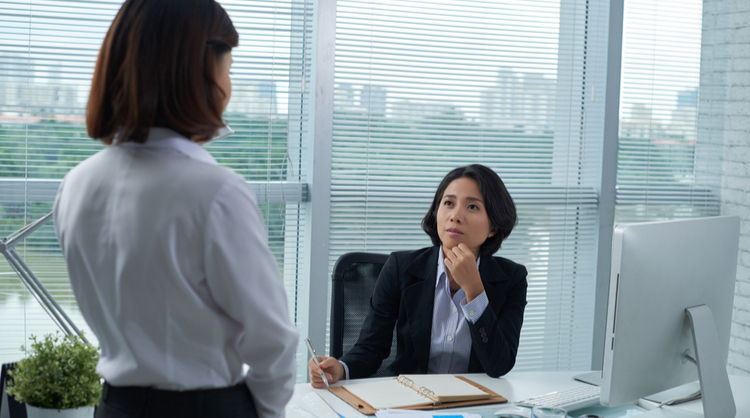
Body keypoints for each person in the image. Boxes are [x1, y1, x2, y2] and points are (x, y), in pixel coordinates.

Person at [52, 1, 298, 417]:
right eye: (229, 68)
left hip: (114, 406)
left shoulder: (76, 184)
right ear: (200, 73)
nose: (230, 84)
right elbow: (273, 343)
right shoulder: (216, 191)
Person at [309, 164, 527, 386]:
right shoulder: (400, 267)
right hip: (408, 399)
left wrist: (474, 290)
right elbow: (371, 347)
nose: (455, 216)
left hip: (472, 402)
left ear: (493, 227)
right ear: (436, 212)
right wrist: (341, 368)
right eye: (448, 203)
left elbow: (499, 365)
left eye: (472, 207)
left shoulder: (512, 279)